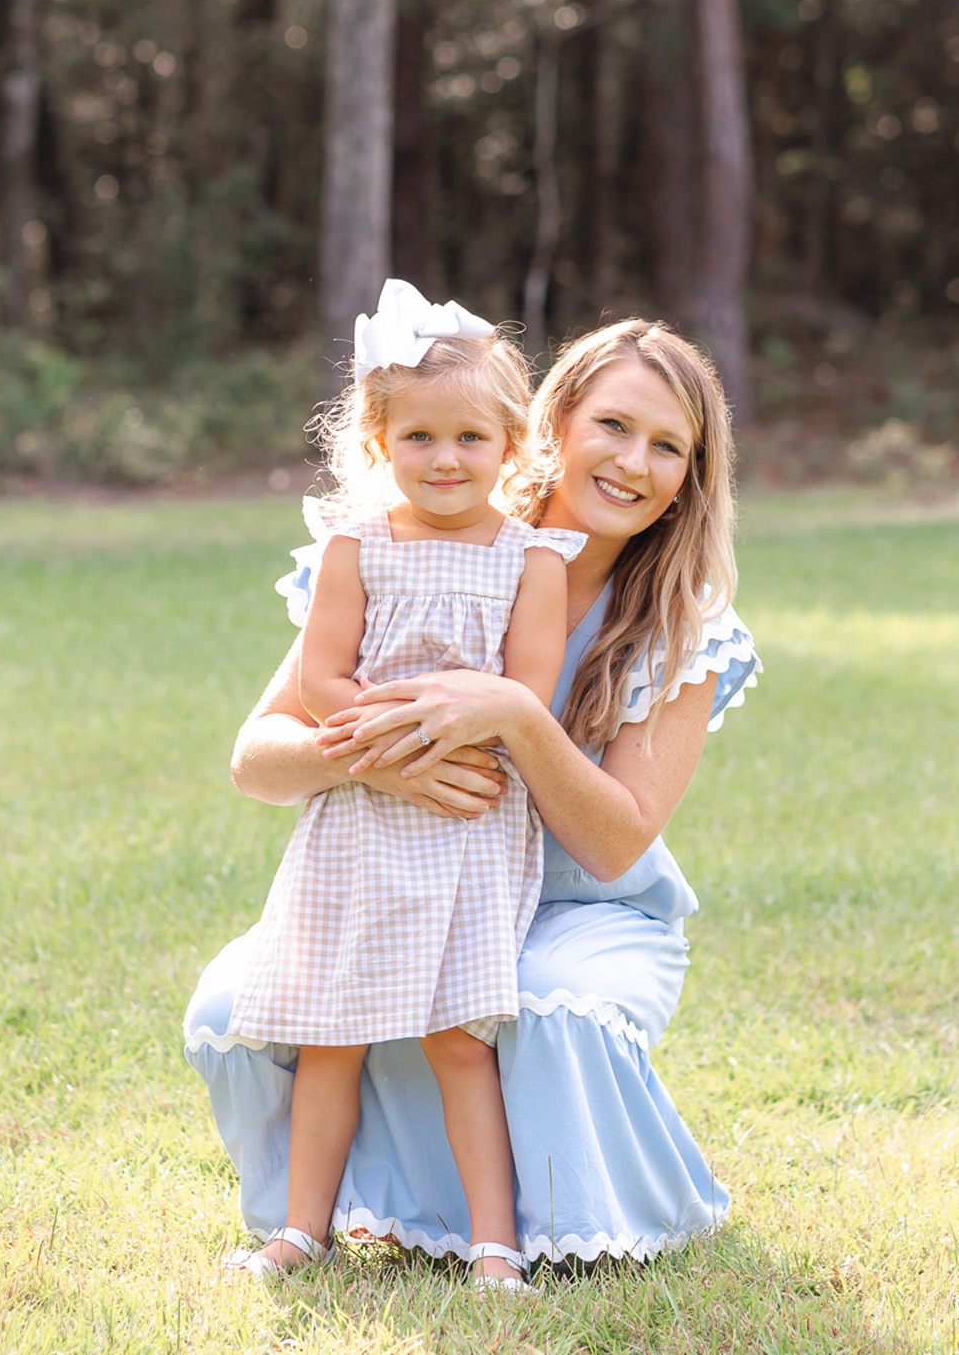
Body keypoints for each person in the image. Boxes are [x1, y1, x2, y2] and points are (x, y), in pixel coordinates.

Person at [186, 317, 761, 1270]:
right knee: (230, 1011)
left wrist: (511, 714)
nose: (633, 462)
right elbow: (260, 756)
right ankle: (341, 1213)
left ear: (691, 476)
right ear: (555, 424)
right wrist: (374, 755)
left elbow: (616, 843)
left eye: (669, 448)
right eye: (613, 426)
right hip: (409, 871)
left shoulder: (681, 624)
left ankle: (534, 1227)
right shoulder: (408, 549)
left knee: (541, 1007)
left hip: (584, 908)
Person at [220, 280, 582, 1291]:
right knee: (330, 1036)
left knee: (457, 1039)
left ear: (511, 444)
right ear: (380, 439)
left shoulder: (532, 559)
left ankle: (495, 1243)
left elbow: (524, 692)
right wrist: (399, 746)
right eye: (419, 436)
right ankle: (301, 1229)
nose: (446, 459)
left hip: (470, 818)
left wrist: (430, 740)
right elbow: (322, 675)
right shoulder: (356, 544)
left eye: (470, 437)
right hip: (362, 818)